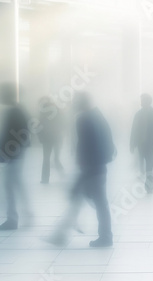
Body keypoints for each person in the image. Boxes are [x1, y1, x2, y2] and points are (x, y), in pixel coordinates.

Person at [47, 91, 115, 247]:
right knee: (87, 201)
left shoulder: (83, 119)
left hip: (91, 168)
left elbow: (85, 144)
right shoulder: (98, 115)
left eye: (74, 102)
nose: (72, 105)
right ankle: (61, 235)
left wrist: (83, 166)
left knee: (90, 201)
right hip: (98, 166)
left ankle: (104, 237)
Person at [0, 83, 32, 231]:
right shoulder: (17, 110)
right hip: (15, 154)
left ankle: (13, 219)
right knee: (16, 184)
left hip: (12, 154)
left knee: (10, 186)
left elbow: (9, 134)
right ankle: (26, 214)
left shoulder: (13, 111)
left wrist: (1, 152)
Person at [130, 93, 153, 194]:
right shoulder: (146, 114)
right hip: (143, 145)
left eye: (142, 100)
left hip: (150, 144)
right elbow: (134, 130)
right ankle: (149, 185)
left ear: (147, 101)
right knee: (148, 165)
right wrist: (132, 144)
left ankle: (149, 185)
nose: (141, 102)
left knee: (149, 166)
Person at [37, 96, 64, 184]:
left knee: (46, 159)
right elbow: (62, 122)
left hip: (47, 138)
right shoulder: (57, 109)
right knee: (56, 157)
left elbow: (40, 125)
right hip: (56, 137)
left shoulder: (43, 110)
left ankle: (45, 179)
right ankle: (62, 174)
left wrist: (40, 137)